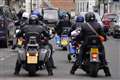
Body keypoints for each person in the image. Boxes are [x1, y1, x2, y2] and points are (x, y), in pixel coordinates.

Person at [70, 12, 111, 77]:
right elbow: (103, 36)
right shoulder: (98, 25)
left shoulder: (83, 25)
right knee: (103, 57)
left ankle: (73, 70)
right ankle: (107, 72)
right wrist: (104, 38)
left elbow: (80, 36)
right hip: (98, 45)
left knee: (80, 56)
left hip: (86, 45)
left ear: (86, 18)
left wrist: (76, 40)